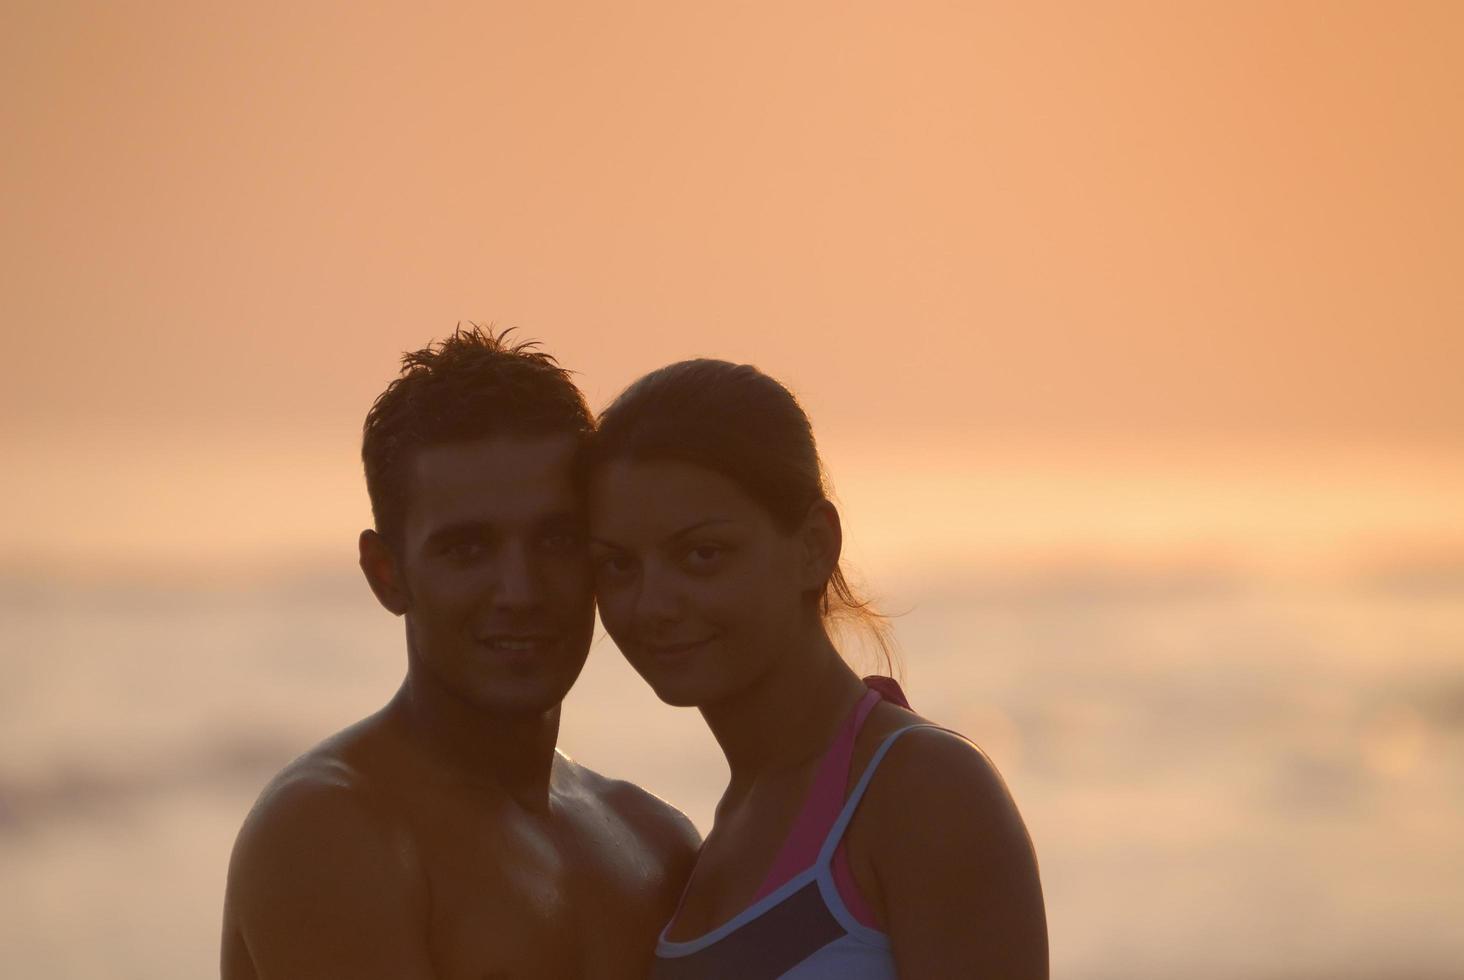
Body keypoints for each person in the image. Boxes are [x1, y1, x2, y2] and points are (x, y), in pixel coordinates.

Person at [221, 327, 699, 980]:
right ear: (387, 574)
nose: (520, 590)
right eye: (467, 549)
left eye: (556, 538)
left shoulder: (655, 842)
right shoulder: (332, 830)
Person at [586, 359, 1048, 978]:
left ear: (813, 546)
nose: (653, 604)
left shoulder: (925, 792)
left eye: (702, 554)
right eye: (619, 565)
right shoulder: (700, 850)